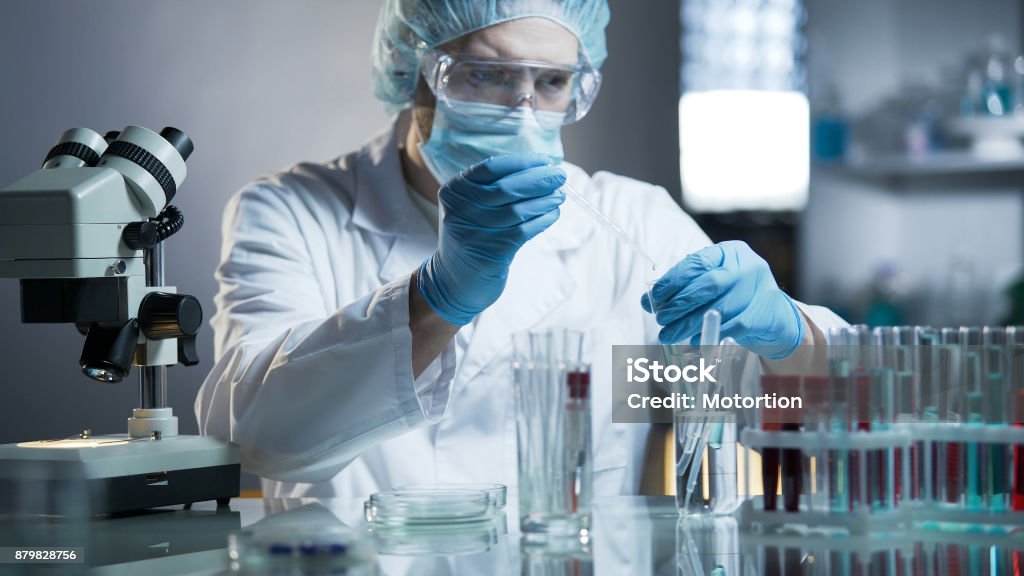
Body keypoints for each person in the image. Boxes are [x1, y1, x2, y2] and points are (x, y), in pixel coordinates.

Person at [195, 0, 846, 499]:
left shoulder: (630, 223)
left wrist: (789, 340)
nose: (524, 111)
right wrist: (439, 296)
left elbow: (770, 410)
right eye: (485, 75)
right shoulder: (290, 210)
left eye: (554, 83)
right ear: (413, 72)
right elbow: (255, 437)